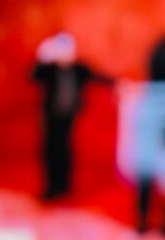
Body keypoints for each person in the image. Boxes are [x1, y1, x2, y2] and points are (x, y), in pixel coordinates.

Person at [32, 33, 111, 200]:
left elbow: (99, 77)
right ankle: (52, 186)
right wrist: (43, 56)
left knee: (65, 149)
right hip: (52, 115)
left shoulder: (78, 68)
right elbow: (34, 75)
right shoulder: (50, 70)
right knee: (51, 149)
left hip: (69, 116)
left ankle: (64, 186)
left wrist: (122, 86)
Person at [136, 37, 165, 232]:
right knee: (149, 169)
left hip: (150, 102)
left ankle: (143, 222)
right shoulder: (159, 49)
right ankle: (146, 221)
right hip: (155, 105)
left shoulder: (157, 48)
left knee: (147, 169)